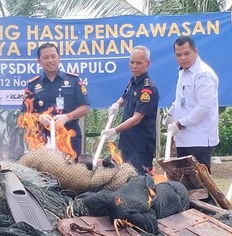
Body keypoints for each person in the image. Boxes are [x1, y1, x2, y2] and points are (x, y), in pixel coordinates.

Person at [22, 42, 89, 159]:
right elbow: (25, 113)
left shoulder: (73, 81)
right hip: (42, 138)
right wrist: (39, 118)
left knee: (71, 173)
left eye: (53, 56)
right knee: (44, 173)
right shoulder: (33, 85)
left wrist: (67, 117)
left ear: (59, 58)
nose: (50, 60)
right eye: (45, 57)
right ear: (39, 61)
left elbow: (85, 108)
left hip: (69, 135)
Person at [102, 46, 159, 174]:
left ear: (148, 64)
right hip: (127, 143)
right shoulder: (132, 82)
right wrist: (117, 104)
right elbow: (125, 96)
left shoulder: (147, 89)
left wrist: (114, 130)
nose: (134, 66)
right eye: (132, 62)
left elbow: (136, 119)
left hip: (140, 146)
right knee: (126, 180)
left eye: (139, 63)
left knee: (139, 184)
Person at [165, 36, 219, 172]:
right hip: (183, 139)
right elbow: (181, 101)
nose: (183, 58)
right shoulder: (182, 73)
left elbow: (204, 106)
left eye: (186, 53)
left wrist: (179, 123)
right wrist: (171, 114)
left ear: (195, 51)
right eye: (178, 55)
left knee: (201, 186)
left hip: (200, 139)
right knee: (185, 184)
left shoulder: (204, 74)